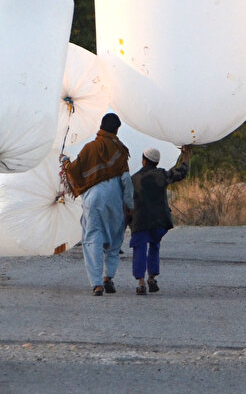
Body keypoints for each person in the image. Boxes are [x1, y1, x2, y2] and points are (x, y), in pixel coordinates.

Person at [68, 112, 133, 296]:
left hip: (93, 199)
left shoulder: (89, 148)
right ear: (117, 130)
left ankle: (96, 284)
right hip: (114, 199)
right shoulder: (120, 150)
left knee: (92, 239)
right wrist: (129, 205)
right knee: (115, 239)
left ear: (101, 126)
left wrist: (65, 163)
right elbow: (126, 180)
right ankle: (108, 277)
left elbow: (74, 170)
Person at [129, 145, 190, 295]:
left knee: (139, 249)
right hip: (159, 221)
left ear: (144, 161)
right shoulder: (162, 175)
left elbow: (127, 202)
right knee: (154, 246)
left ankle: (141, 282)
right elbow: (181, 173)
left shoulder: (134, 179)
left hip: (140, 221)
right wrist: (186, 155)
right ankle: (151, 277)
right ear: (156, 162)